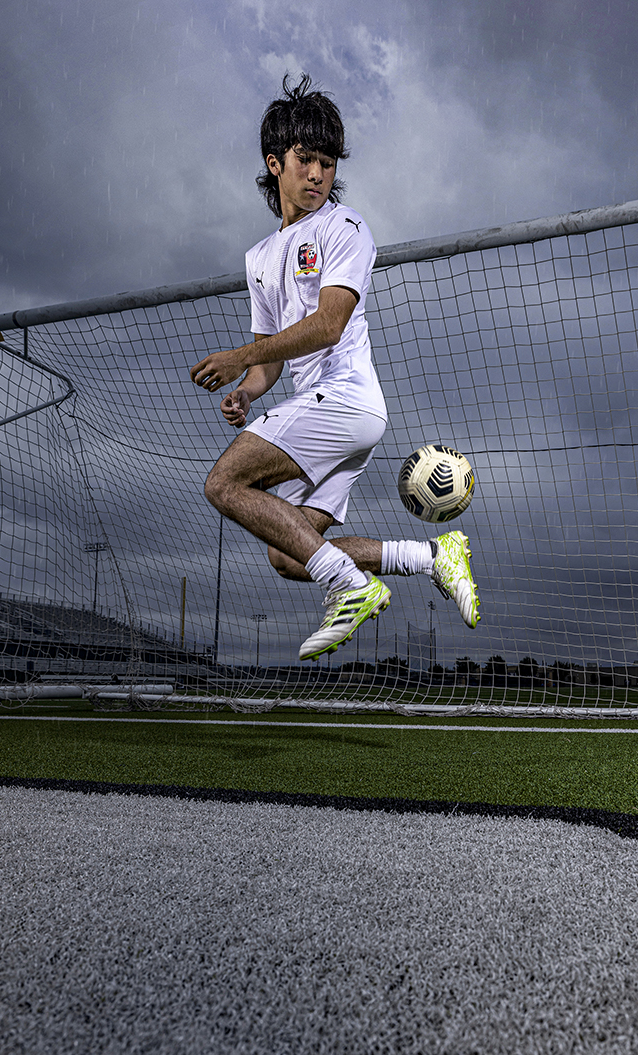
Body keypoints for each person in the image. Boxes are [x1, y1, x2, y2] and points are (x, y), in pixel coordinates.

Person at [190, 74, 479, 660]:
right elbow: (270, 358)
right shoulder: (259, 259)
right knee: (287, 554)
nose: (318, 174)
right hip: (326, 413)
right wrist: (247, 391)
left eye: (326, 162)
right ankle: (433, 556)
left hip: (346, 399)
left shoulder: (345, 228)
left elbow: (328, 326)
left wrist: (237, 358)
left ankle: (350, 586)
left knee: (224, 483)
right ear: (276, 164)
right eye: (305, 160)